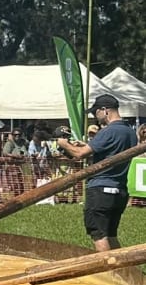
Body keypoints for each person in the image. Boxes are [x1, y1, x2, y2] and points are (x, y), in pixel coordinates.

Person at [56, 94, 137, 251]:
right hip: (119, 190)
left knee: (98, 234)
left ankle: (109, 273)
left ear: (104, 110)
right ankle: (124, 272)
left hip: (100, 189)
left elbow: (79, 154)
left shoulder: (108, 132)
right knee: (111, 235)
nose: (95, 117)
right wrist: (87, 145)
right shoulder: (130, 132)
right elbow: (112, 152)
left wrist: (64, 144)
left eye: (95, 112)